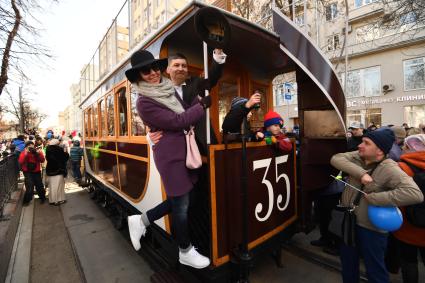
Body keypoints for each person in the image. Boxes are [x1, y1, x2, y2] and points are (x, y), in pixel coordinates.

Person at [125, 49, 212, 269]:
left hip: (183, 152)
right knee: (181, 204)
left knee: (184, 199)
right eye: (146, 71)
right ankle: (185, 250)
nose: (153, 73)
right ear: (138, 76)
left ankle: (141, 220)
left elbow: (183, 114)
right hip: (169, 157)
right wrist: (201, 106)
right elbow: (177, 121)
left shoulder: (167, 89)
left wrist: (197, 103)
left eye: (155, 67)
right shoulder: (143, 101)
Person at [330, 128, 423, 283]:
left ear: (379, 150)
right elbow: (336, 158)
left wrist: (377, 198)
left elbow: (415, 194)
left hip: (371, 229)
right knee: (348, 265)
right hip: (349, 221)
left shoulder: (390, 168)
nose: (360, 145)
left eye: (366, 143)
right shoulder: (358, 157)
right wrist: (361, 174)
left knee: (375, 271)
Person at [393, 134, 425, 283]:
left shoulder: (401, 168)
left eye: (405, 146)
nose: (402, 149)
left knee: (409, 261)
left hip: (407, 225)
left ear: (410, 147)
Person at [18, 140, 46, 205]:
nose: (31, 147)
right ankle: (26, 200)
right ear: (26, 147)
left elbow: (42, 160)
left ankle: (42, 198)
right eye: (29, 146)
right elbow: (21, 161)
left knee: (39, 185)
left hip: (36, 171)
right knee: (29, 186)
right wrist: (25, 153)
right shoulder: (24, 152)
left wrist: (38, 153)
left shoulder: (37, 151)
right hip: (27, 172)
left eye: (32, 146)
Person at [45, 139, 69, 205]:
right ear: (57, 144)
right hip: (59, 170)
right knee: (59, 186)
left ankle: (52, 200)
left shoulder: (48, 149)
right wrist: (65, 152)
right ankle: (59, 200)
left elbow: (47, 158)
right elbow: (65, 158)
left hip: (50, 170)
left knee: (52, 186)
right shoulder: (59, 149)